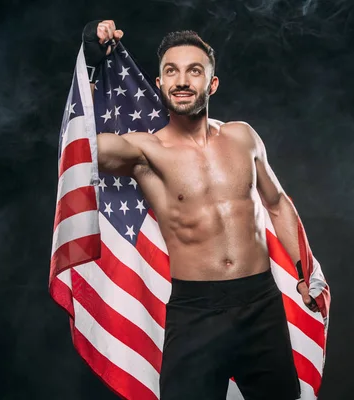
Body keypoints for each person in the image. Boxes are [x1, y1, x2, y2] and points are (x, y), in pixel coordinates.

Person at [81, 19, 319, 400]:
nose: (181, 81)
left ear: (212, 84)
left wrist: (302, 270)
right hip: (196, 311)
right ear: (159, 84)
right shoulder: (146, 151)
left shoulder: (243, 137)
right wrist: (92, 63)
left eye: (194, 71)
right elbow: (81, 147)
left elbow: (276, 203)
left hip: (261, 303)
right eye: (171, 71)